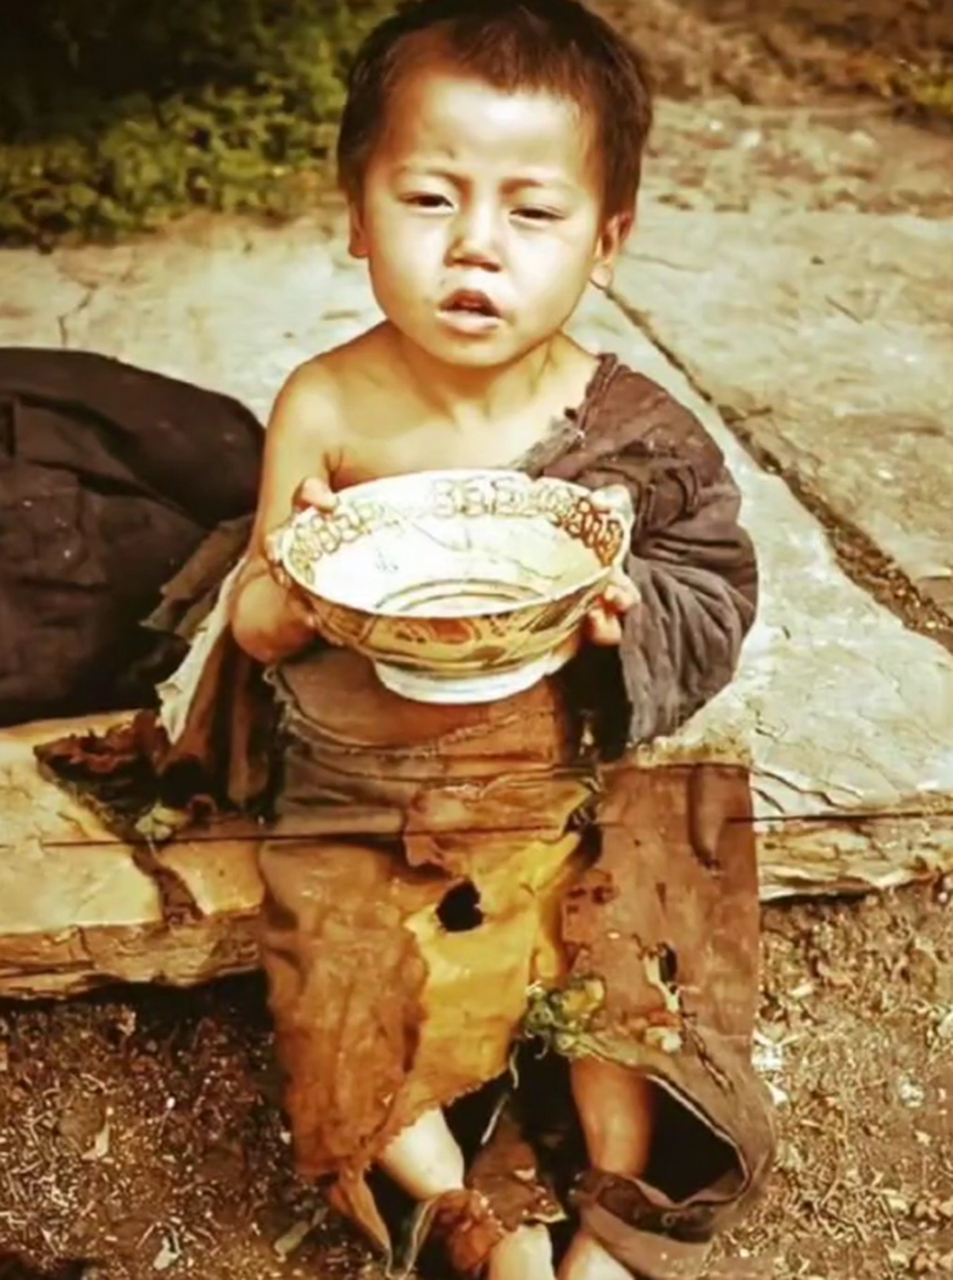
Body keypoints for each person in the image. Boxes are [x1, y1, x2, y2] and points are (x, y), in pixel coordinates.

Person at [218, 2, 775, 1278]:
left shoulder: (629, 433)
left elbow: (712, 584)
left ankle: (619, 1216)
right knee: (336, 983)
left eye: (532, 213)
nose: (475, 247)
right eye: (427, 199)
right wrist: (300, 587)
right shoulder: (326, 403)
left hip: (558, 778)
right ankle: (453, 1208)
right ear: (356, 216)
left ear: (607, 239)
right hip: (364, 790)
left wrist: (630, 620)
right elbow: (252, 622)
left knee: (626, 962)